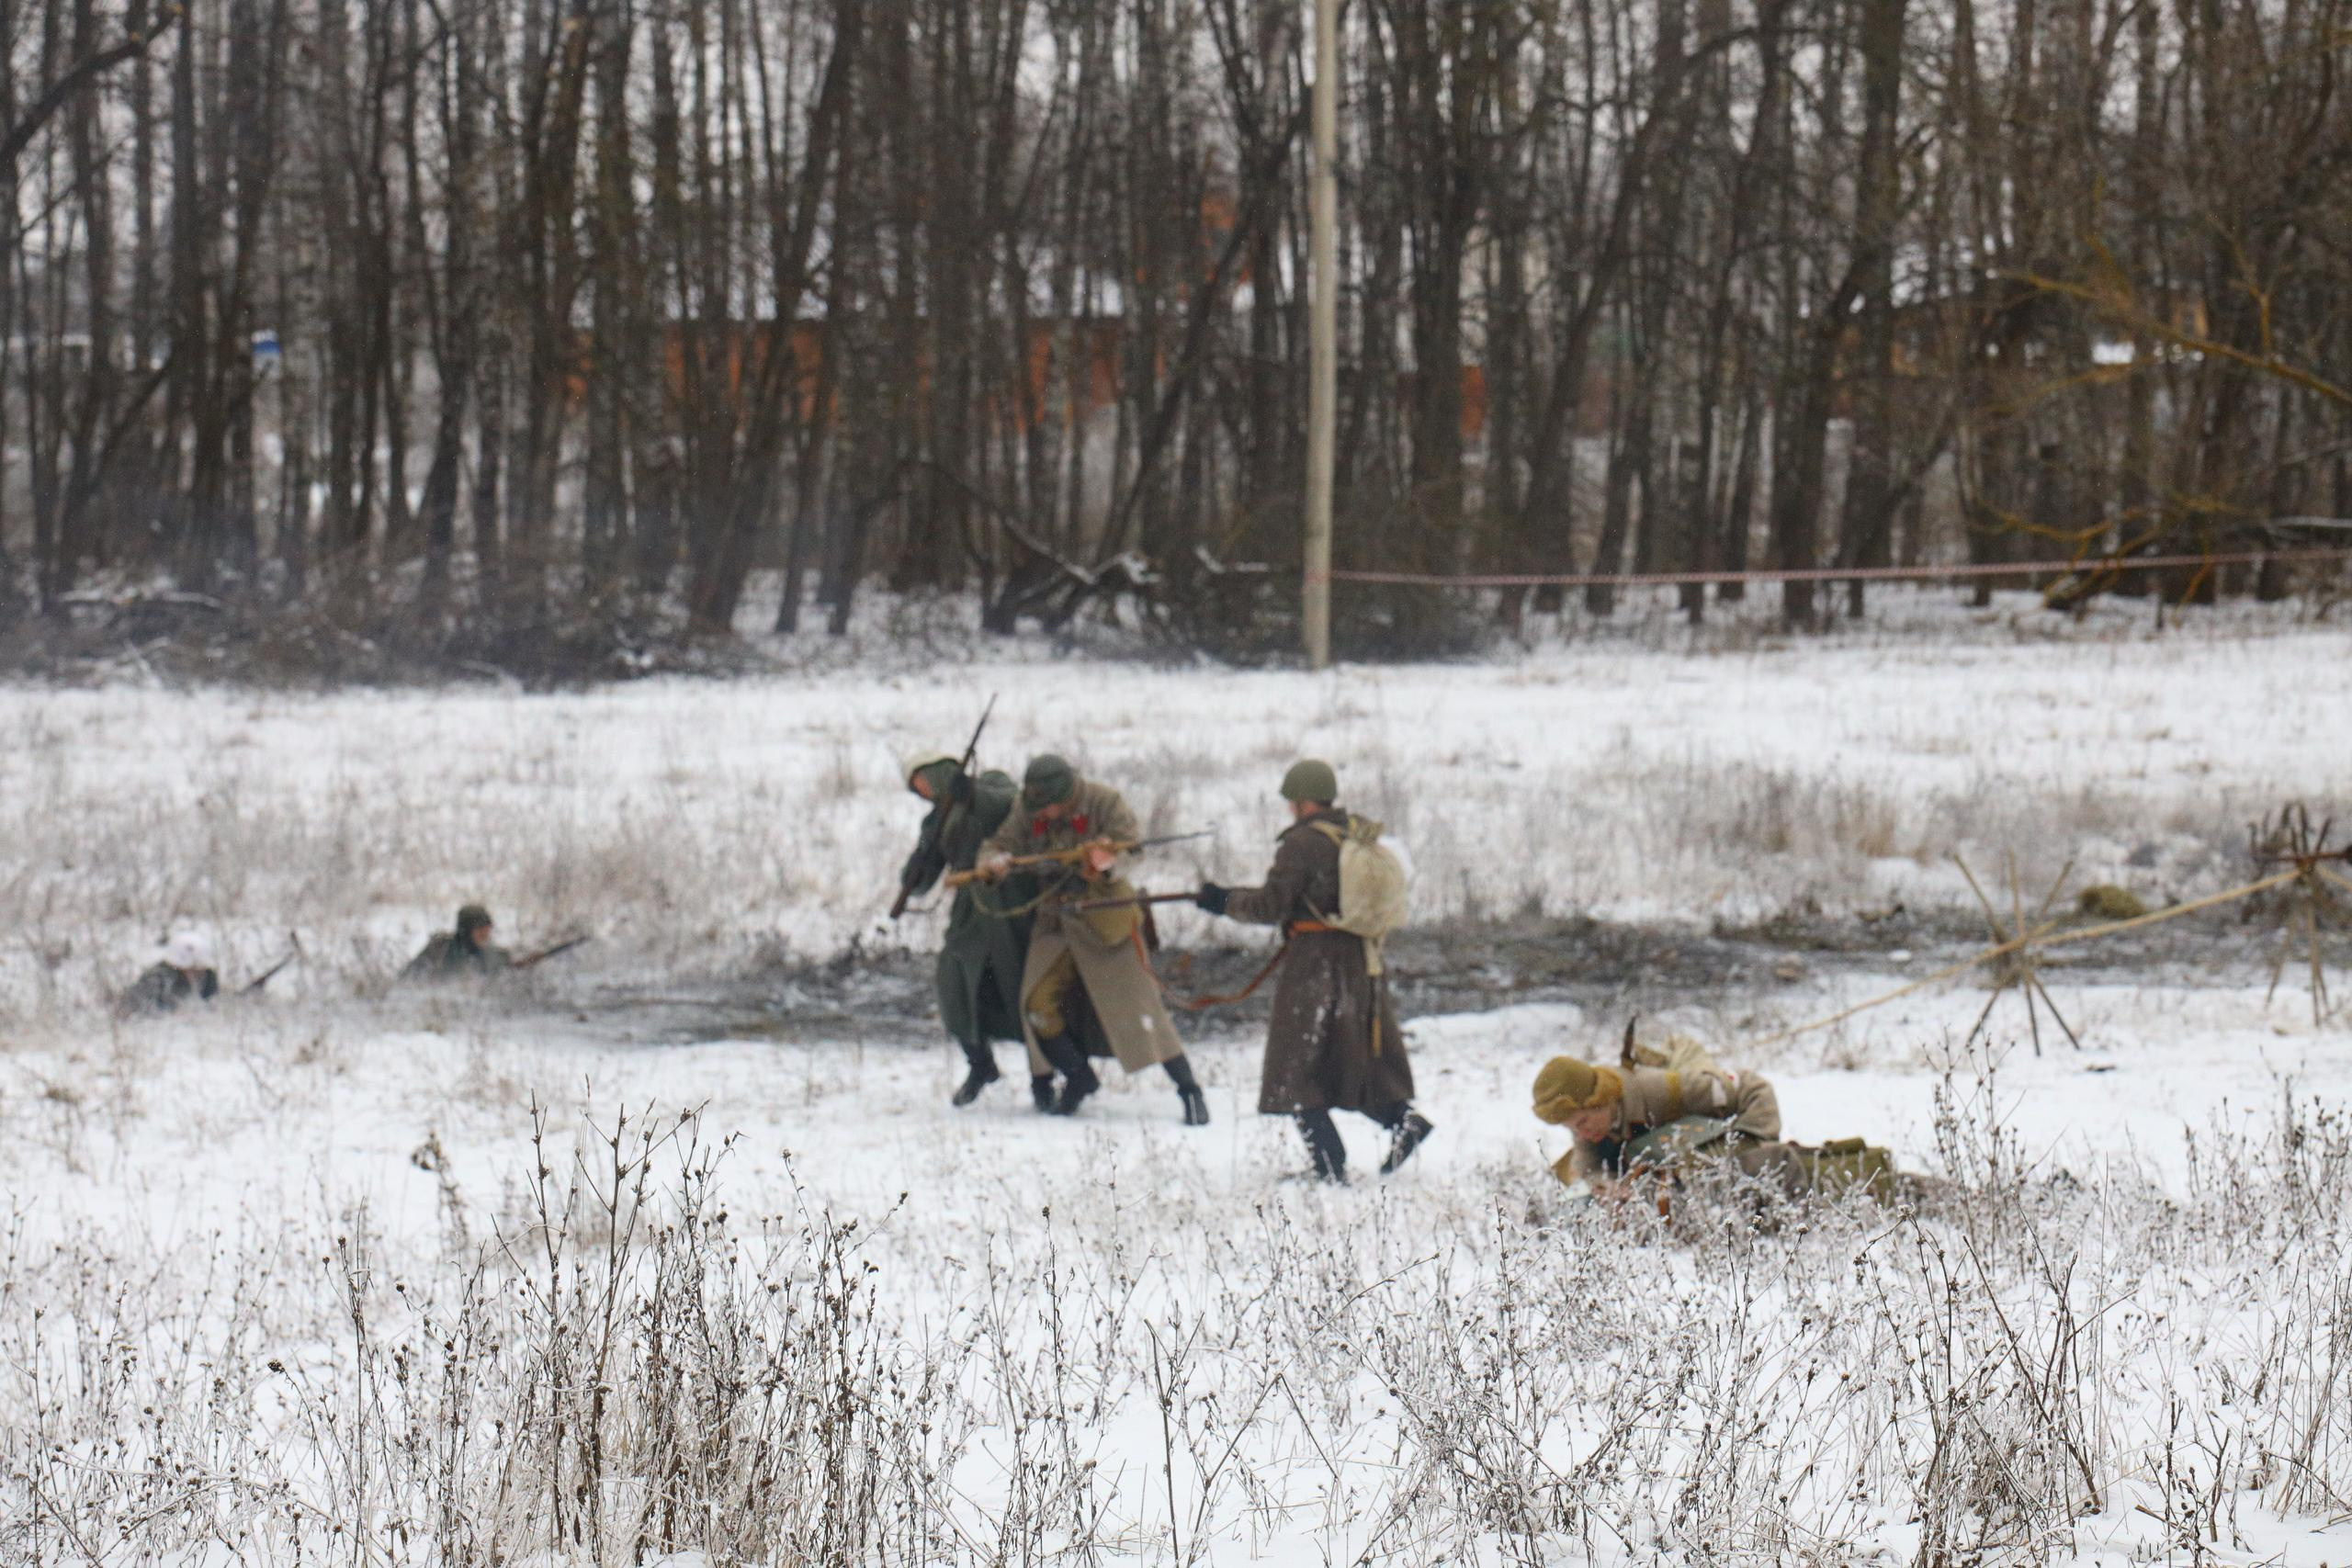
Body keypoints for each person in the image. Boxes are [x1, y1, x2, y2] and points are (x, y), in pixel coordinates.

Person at [1194, 760, 1430, 1182]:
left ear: (1301, 802)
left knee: (1294, 1061)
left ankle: (1327, 1165)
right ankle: (1403, 1120)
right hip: (1359, 958)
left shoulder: (1301, 844)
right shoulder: (1351, 834)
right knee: (1353, 1050)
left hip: (1316, 963)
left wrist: (1223, 901)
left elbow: (1271, 906)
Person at [977, 754, 1208, 1123]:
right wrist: (994, 861)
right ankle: (1079, 1079)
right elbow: (998, 844)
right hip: (1055, 920)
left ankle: (1189, 1091)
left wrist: (1106, 863)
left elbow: (1131, 850)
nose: (1047, 814)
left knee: (1141, 1009)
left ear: (1068, 793)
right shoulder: (1027, 808)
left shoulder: (1104, 801)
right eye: (1041, 807)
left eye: (1052, 805)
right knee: (1036, 1005)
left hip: (1106, 919)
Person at [896, 749, 1032, 1107]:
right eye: (915, 788)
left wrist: (969, 796)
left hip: (1015, 905)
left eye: (923, 781)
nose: (922, 790)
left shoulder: (991, 783)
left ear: (939, 771)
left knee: (1023, 988)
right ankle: (981, 1063)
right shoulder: (935, 821)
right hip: (970, 913)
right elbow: (926, 873)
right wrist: (914, 873)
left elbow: (1008, 805)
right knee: (953, 985)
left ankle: (1047, 1075)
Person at [1531, 1032, 1781, 1195]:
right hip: (1668, 1143)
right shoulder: (1586, 1123)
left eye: (1583, 1122)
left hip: (1697, 1102)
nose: (1581, 1133)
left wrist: (1756, 1143)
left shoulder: (1667, 1089)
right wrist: (1608, 1185)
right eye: (1572, 1128)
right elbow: (1588, 1165)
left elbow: (1752, 1087)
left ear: (1602, 1100)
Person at [117, 931, 220, 1017]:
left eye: (199, 968)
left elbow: (214, 1000)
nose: (197, 974)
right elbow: (133, 1006)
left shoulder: (209, 978)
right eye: (191, 968)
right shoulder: (157, 979)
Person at [403, 904, 512, 980]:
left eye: (487, 932)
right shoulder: (440, 950)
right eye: (480, 932)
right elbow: (409, 978)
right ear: (466, 932)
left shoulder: (494, 954)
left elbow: (509, 971)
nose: (485, 937)